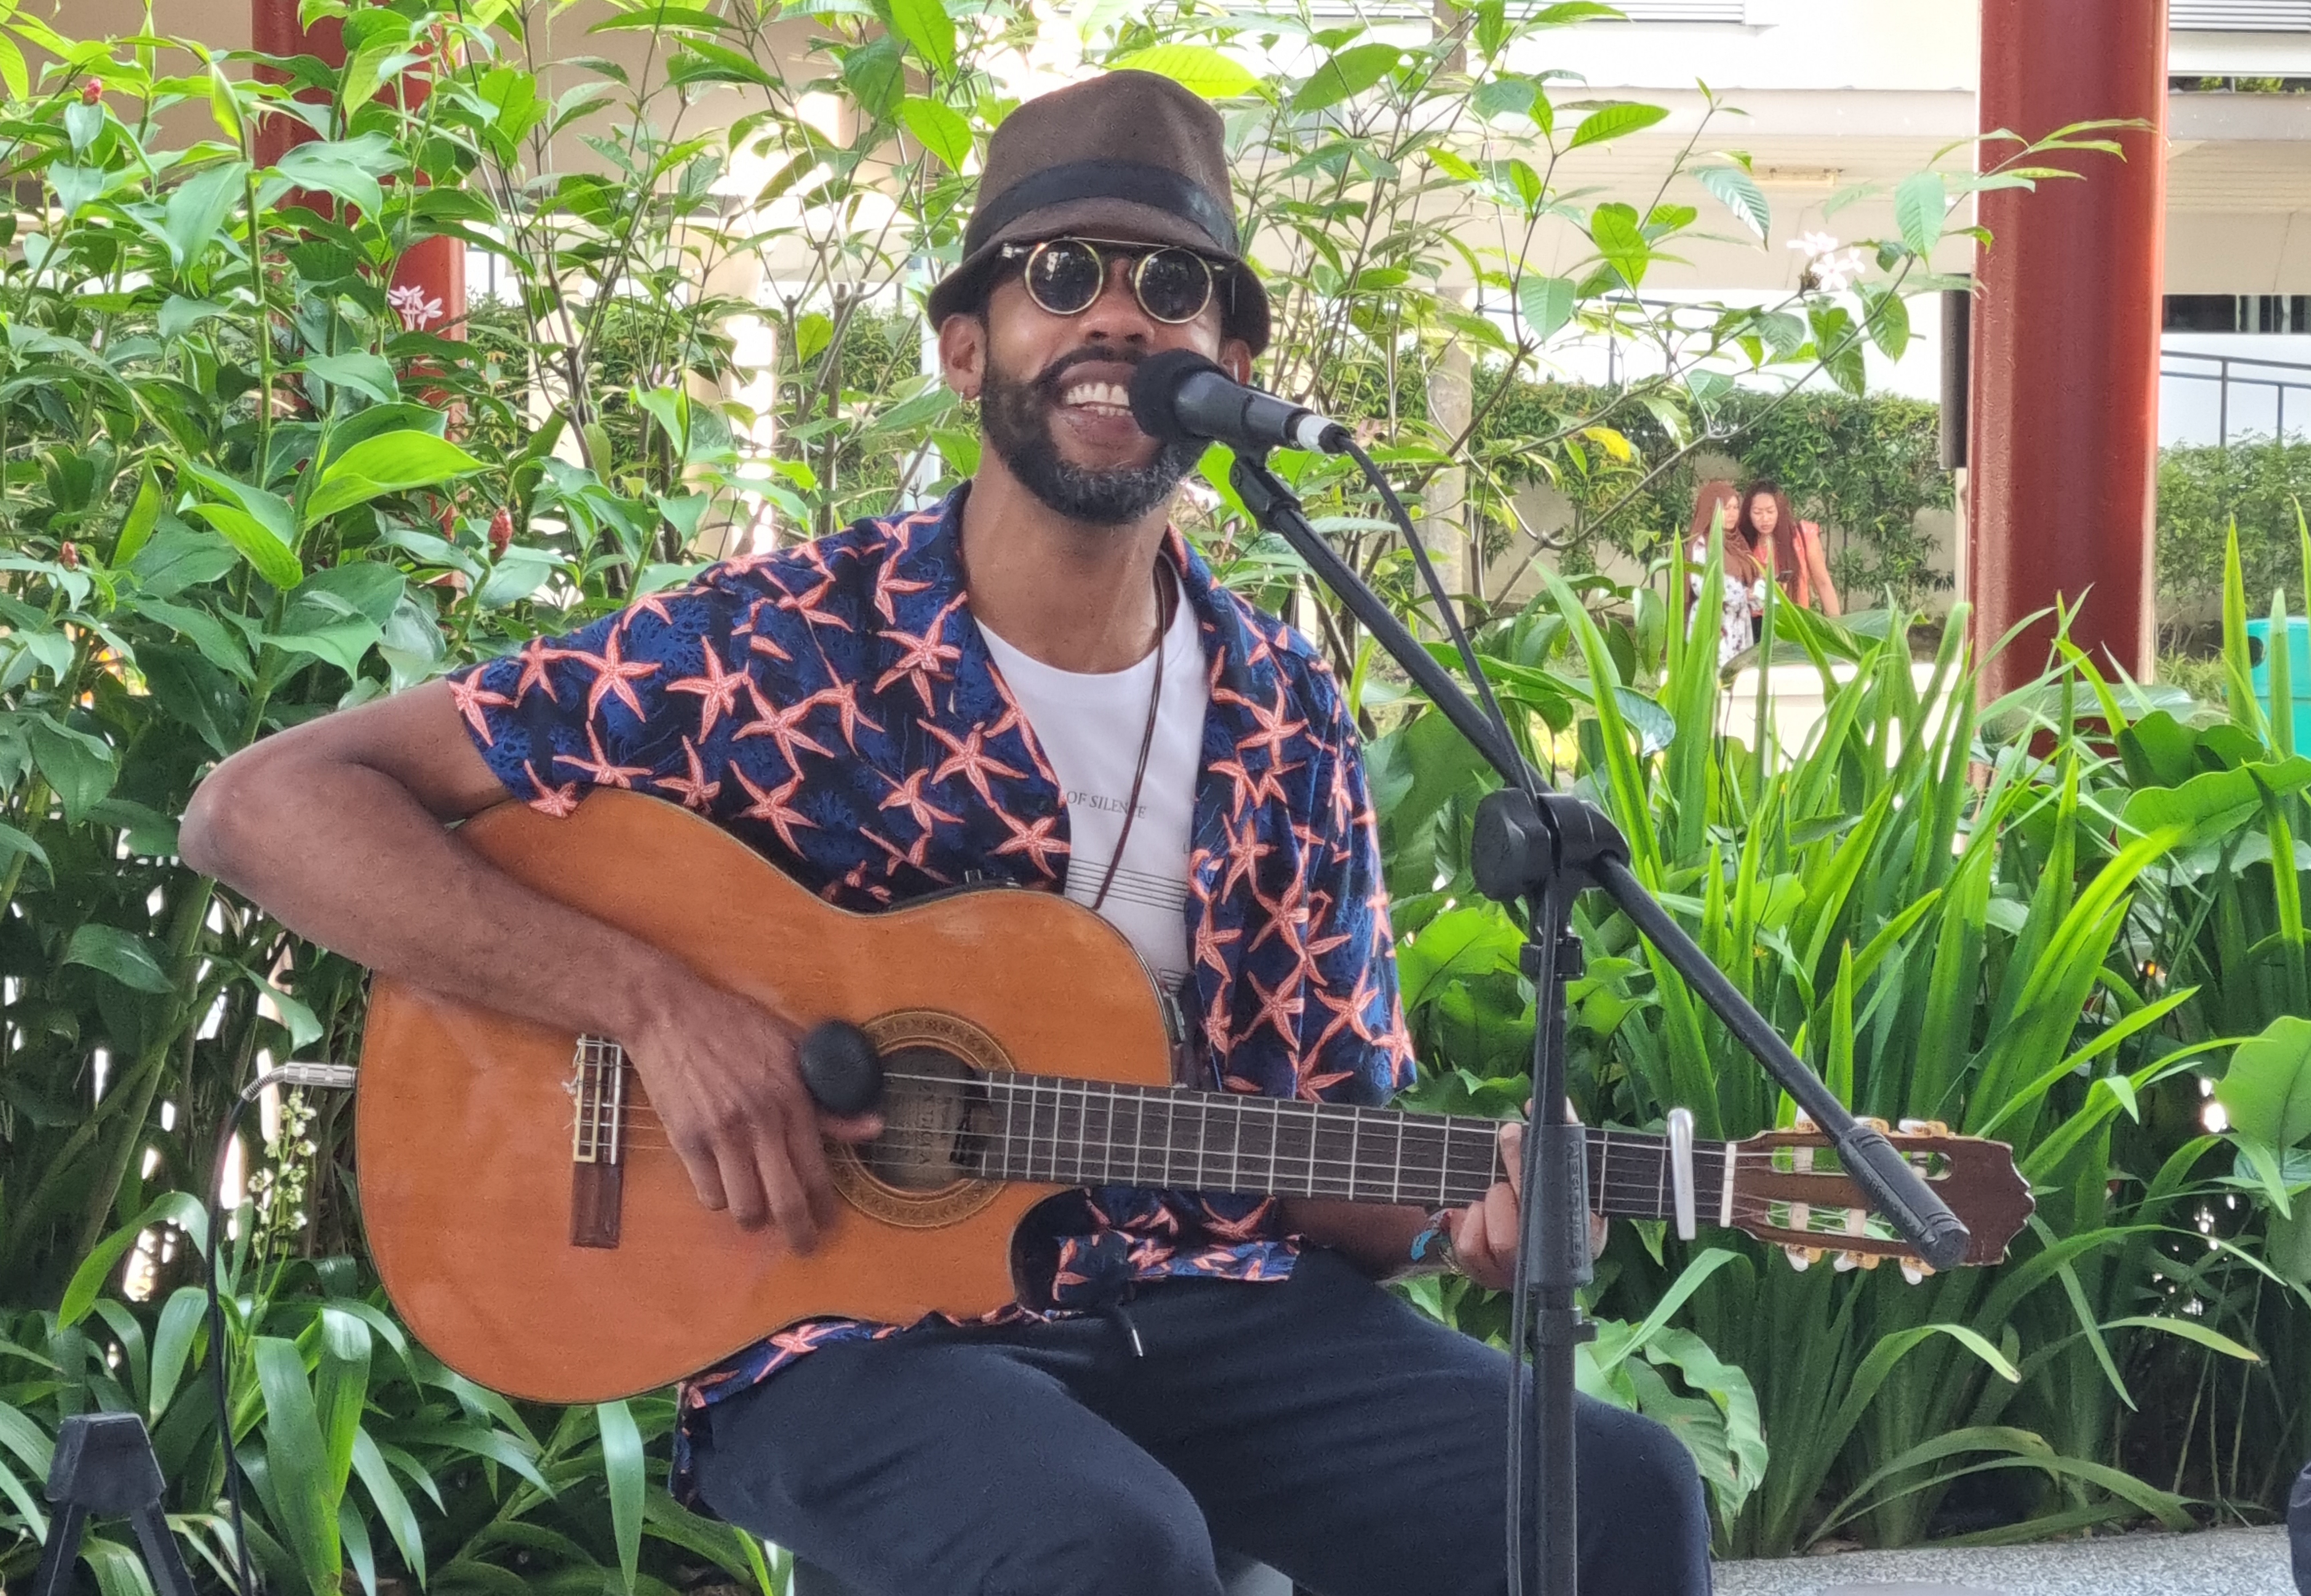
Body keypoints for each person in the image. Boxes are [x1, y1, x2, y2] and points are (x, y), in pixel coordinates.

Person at [181, 71, 1712, 1596]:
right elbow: (259, 808)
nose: (1115, 319)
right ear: (969, 343)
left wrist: (1473, 1205)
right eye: (1059, 277)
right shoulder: (767, 649)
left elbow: (1326, 1152)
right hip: (840, 1330)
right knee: (1102, 1543)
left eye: (1170, 287)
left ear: (1229, 357)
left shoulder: (1284, 707)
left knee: (1616, 1493)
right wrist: (655, 1007)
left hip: (1205, 1302)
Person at [1686, 477, 1763, 669]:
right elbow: (1703, 585)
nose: (1732, 514)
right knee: (1714, 681)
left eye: (1736, 508)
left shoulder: (1738, 544)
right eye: (1726, 508)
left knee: (1739, 681)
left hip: (1739, 626)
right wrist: (1744, 594)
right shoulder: (1702, 545)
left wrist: (1761, 591)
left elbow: (1752, 579)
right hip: (1716, 626)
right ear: (1712, 509)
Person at [1739, 478, 1840, 618]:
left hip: (1794, 620)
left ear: (1780, 510)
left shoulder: (1803, 536)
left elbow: (1823, 583)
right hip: (1753, 624)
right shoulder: (1741, 541)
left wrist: (1837, 625)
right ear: (1748, 514)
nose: (1765, 519)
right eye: (1757, 513)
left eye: (1770, 511)